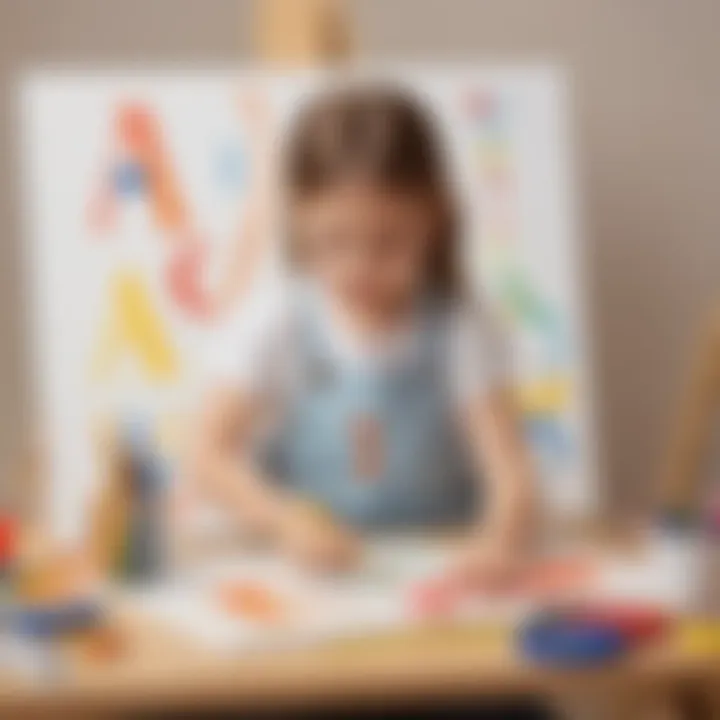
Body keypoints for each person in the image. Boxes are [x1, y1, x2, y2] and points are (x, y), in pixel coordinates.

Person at [192, 83, 537, 584]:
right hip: (312, 576)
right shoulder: (279, 318)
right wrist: (284, 521)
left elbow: (510, 470)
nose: (362, 267)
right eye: (334, 241)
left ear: (435, 219)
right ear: (299, 221)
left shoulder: (460, 324)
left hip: (440, 569)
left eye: (390, 242)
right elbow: (207, 455)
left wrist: (500, 540)